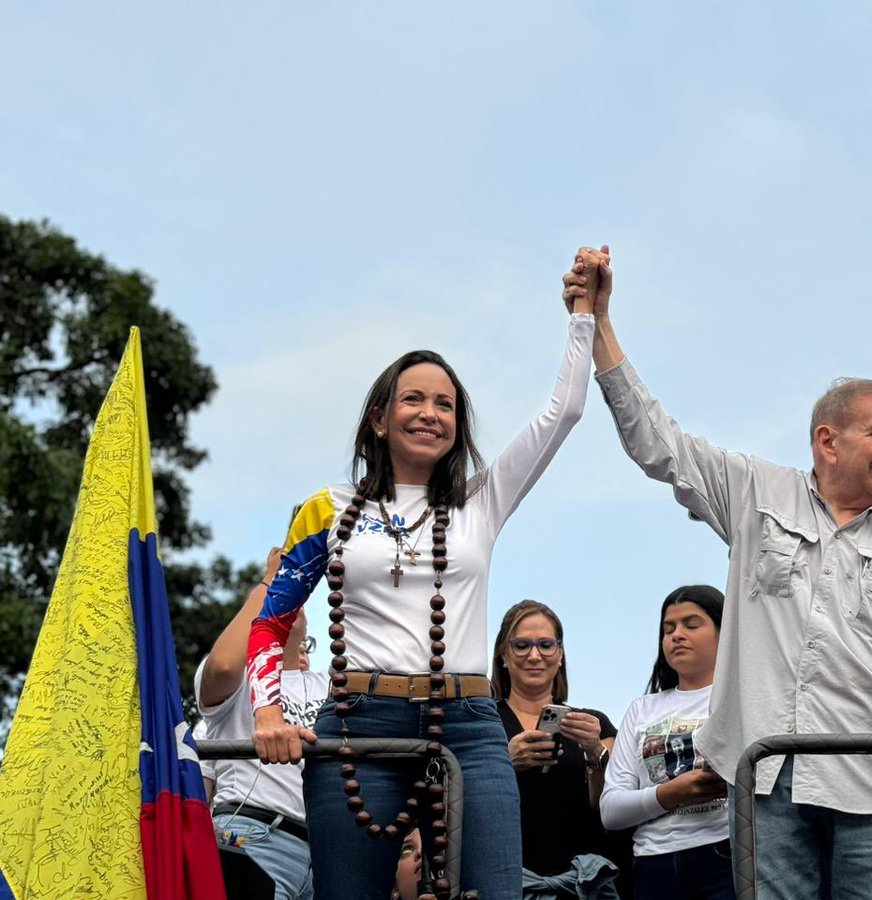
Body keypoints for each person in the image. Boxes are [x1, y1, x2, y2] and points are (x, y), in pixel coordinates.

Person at [567, 247, 872, 900]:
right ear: (827, 441)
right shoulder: (755, 492)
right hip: (764, 779)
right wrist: (600, 325)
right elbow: (656, 441)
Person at [248, 260, 599, 899]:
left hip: (468, 723)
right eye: (413, 399)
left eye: (446, 404)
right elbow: (270, 624)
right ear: (379, 418)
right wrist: (269, 712)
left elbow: (563, 413)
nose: (430, 413)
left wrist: (584, 314)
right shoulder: (327, 509)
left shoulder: (481, 500)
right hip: (357, 723)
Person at [196, 548, 328, 900]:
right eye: (278, 594)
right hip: (255, 837)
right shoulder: (240, 683)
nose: (289, 597)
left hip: (326, 856)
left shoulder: (329, 684)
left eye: (295, 593)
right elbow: (224, 666)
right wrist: (272, 578)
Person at [600, 585, 734, 900]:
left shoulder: (741, 698)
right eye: (668, 629)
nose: (677, 635)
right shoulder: (641, 709)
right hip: (653, 863)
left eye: (692, 624)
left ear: (724, 631)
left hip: (725, 856)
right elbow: (611, 810)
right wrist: (668, 794)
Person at [490, 600, 622, 881]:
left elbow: (611, 807)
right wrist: (505, 763)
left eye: (546, 645)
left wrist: (595, 752)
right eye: (521, 645)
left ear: (560, 654)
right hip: (505, 874)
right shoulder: (483, 724)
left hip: (582, 880)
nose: (534, 656)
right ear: (503, 654)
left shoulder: (595, 724)